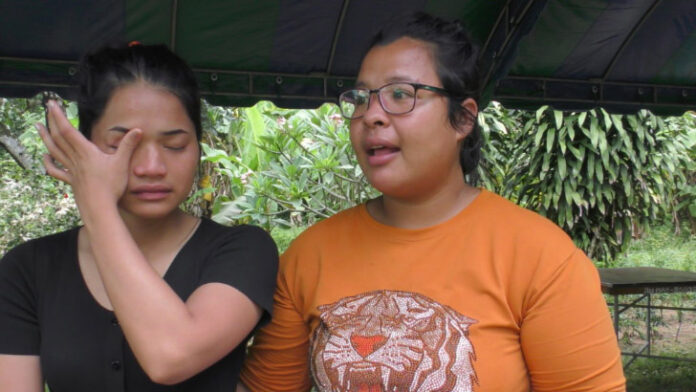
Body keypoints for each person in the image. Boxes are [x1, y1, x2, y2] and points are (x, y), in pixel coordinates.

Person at [239, 12, 625, 392]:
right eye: (361, 98)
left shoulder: (542, 257)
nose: (371, 114)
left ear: (463, 119)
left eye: (400, 95)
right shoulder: (310, 254)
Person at [0, 43, 278, 391]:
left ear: (198, 146)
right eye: (120, 147)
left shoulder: (243, 251)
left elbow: (172, 356)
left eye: (174, 145)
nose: (152, 168)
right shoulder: (28, 268)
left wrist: (96, 205)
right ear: (83, 148)